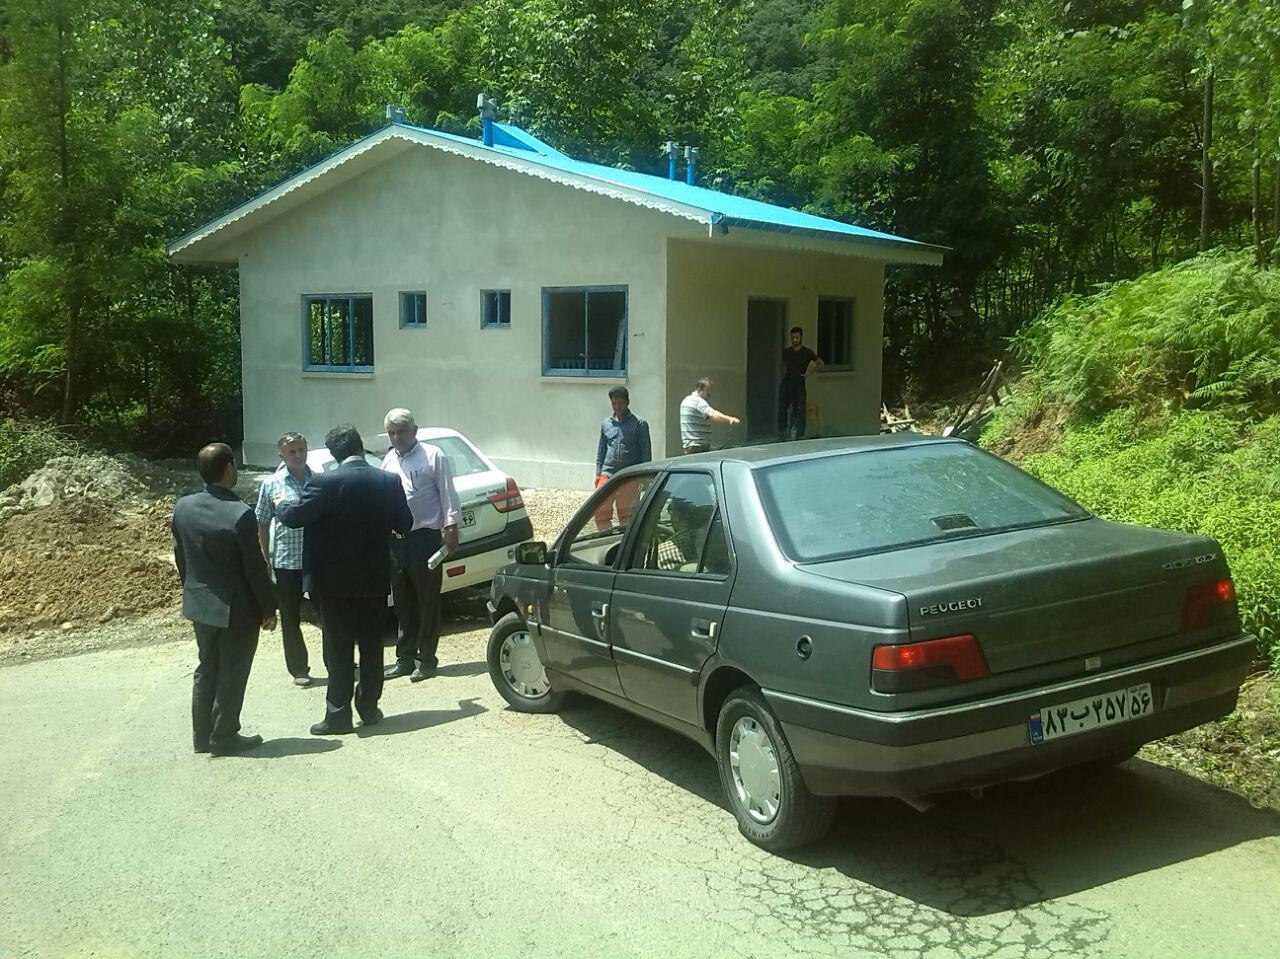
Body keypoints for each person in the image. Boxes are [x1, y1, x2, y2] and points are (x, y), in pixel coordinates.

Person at [277, 424, 412, 735]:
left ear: (333, 454)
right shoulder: (387, 480)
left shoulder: (324, 482)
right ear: (360, 446)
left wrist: (281, 503)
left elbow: (294, 517)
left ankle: (338, 716)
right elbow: (405, 523)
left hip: (332, 582)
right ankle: (369, 708)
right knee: (372, 646)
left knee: (338, 649)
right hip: (374, 577)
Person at [171, 442, 277, 757]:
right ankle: (225, 736)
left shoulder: (183, 506)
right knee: (232, 671)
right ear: (229, 468)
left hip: (200, 602)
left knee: (207, 667)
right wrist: (268, 608)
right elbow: (254, 568)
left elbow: (180, 555)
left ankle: (202, 737)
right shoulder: (240, 514)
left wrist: (191, 587)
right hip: (237, 609)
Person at [380, 408, 461, 683]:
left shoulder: (432, 455)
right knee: (402, 603)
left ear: (414, 431)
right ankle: (405, 658)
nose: (396, 437)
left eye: (401, 431)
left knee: (427, 602)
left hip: (425, 539)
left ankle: (426, 660)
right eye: (391, 432)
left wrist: (451, 527)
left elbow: (447, 493)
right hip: (397, 542)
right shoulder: (389, 459)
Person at [254, 432, 315, 687]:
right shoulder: (272, 484)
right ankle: (299, 669)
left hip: (316, 560)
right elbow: (262, 523)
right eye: (292, 452)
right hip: (286, 562)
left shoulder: (319, 481)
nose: (298, 455)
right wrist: (264, 557)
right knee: (290, 619)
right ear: (281, 455)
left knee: (331, 614)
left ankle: (338, 662)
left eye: (301, 450)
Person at [593, 386, 651, 530]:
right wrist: (598, 473)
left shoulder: (639, 424)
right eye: (614, 403)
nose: (617, 407)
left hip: (629, 475)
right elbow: (601, 450)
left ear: (627, 402)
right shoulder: (606, 424)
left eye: (620, 403)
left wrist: (645, 477)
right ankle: (605, 536)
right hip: (608, 473)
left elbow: (646, 452)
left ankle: (623, 540)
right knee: (600, 508)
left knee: (626, 513)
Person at [777, 326, 822, 440]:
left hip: (799, 383)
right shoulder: (787, 352)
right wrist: (781, 379)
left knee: (800, 409)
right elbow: (782, 366)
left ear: (801, 337)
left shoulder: (806, 352)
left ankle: (799, 434)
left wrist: (808, 373)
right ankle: (782, 433)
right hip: (787, 382)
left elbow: (819, 363)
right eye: (792, 338)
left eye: (796, 337)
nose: (794, 340)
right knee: (782, 408)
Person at [679, 378, 740, 454]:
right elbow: (712, 414)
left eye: (710, 390)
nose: (710, 393)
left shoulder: (686, 400)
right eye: (707, 390)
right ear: (699, 390)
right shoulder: (698, 401)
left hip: (689, 447)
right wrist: (730, 419)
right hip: (698, 447)